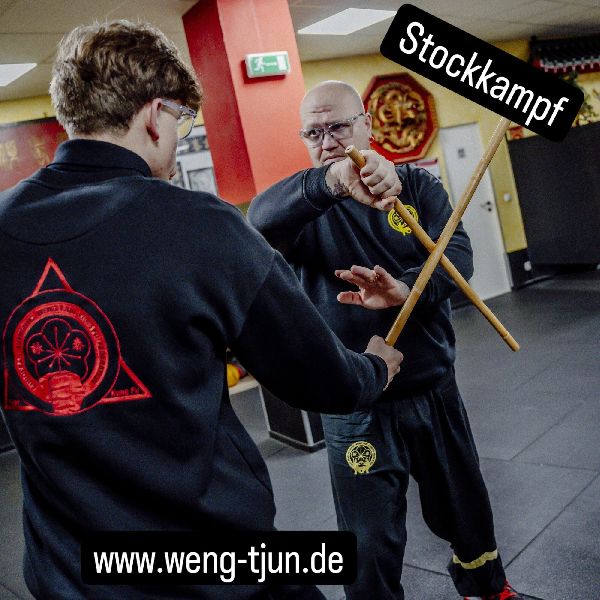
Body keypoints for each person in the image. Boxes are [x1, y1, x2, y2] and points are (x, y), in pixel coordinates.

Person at [0, 27, 404, 600]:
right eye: (181, 121)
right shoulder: (199, 225)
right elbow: (323, 381)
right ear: (154, 115)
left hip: (67, 572)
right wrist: (374, 367)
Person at [248, 80, 524, 600]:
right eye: (313, 132)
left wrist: (406, 290)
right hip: (356, 401)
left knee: (465, 506)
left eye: (337, 126)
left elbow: (458, 256)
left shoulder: (415, 186)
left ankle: (486, 587)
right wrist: (330, 182)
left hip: (431, 387)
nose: (327, 140)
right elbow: (257, 220)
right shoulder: (304, 206)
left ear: (367, 125)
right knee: (368, 538)